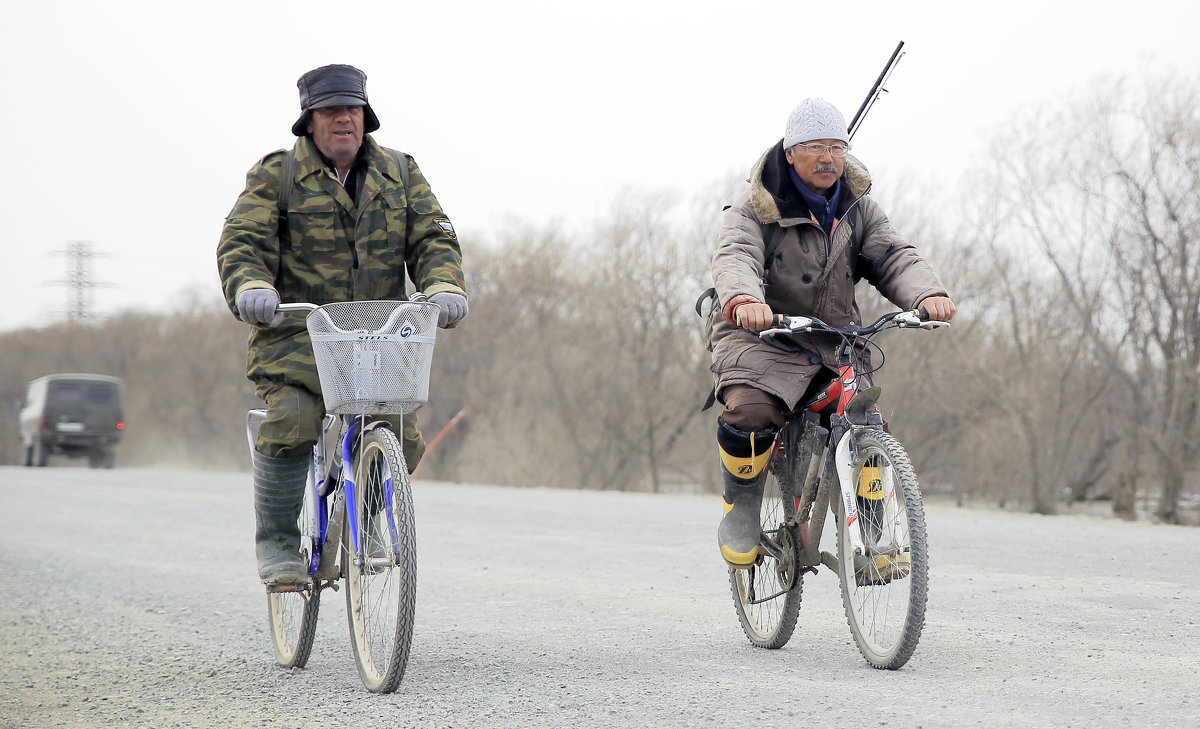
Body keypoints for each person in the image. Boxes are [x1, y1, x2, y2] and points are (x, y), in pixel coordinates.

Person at [217, 64, 468, 586]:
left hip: (377, 336)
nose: (343, 121)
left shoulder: (400, 172)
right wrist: (250, 287)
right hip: (297, 337)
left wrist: (443, 285)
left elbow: (433, 238)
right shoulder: (276, 175)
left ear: (365, 115)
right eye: (330, 111)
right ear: (310, 121)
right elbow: (241, 242)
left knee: (402, 430)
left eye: (351, 110)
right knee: (292, 419)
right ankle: (280, 541)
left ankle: (367, 517)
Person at [709, 97, 954, 567]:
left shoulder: (859, 208)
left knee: (866, 422)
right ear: (789, 153)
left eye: (837, 148)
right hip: (763, 336)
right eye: (815, 147)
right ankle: (740, 506)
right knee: (752, 411)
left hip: (834, 341)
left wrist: (927, 295)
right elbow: (735, 255)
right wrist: (745, 301)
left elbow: (893, 256)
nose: (828, 158)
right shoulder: (754, 208)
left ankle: (874, 537)